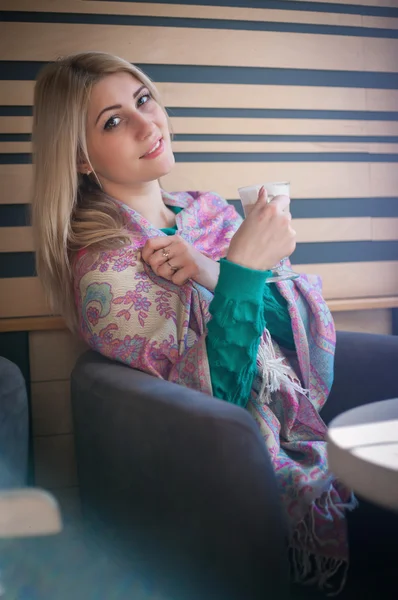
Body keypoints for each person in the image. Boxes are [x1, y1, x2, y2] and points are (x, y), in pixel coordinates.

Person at [31, 52, 394, 597]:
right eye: (113, 120)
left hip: (298, 425)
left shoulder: (206, 212)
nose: (145, 123)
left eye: (143, 99)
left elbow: (290, 340)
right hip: (237, 464)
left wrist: (214, 271)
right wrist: (243, 270)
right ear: (82, 159)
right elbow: (218, 398)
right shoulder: (104, 269)